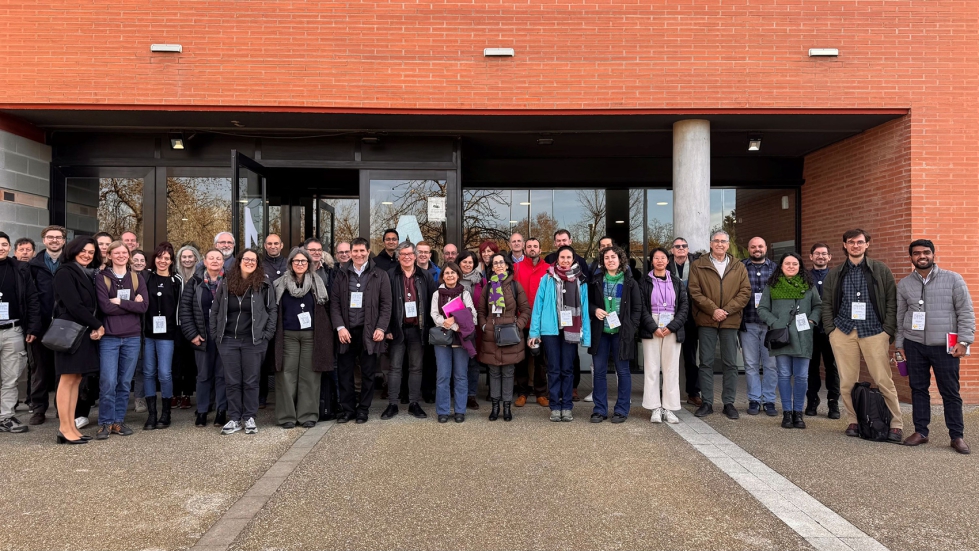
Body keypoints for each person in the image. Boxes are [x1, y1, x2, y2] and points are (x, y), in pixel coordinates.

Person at [821, 228, 903, 441]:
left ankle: (896, 423)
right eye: (851, 242)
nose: (855, 245)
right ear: (845, 245)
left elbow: (891, 301)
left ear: (867, 244)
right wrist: (831, 330)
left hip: (874, 331)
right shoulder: (836, 273)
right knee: (847, 381)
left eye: (859, 242)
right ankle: (854, 420)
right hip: (843, 331)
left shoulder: (880, 269)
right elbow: (827, 303)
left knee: (883, 379)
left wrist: (887, 331)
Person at [896, 239, 974, 453]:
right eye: (917, 253)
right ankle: (921, 431)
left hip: (945, 346)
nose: (922, 256)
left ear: (933, 254)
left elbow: (965, 312)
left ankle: (956, 436)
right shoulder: (904, 284)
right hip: (914, 345)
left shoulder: (953, 279)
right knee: (918, 389)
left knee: (950, 391)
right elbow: (900, 317)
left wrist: (964, 341)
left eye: (926, 252)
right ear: (911, 257)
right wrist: (900, 345)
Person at [210, 249, 276, 435]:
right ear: (239, 261)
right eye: (246, 259)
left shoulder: (263, 284)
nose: (249, 262)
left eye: (253, 260)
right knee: (231, 381)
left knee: (251, 380)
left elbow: (272, 310)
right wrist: (216, 334)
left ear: (257, 263)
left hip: (254, 341)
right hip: (228, 340)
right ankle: (234, 418)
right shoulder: (226, 283)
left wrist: (267, 334)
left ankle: (249, 417)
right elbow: (215, 310)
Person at [688, 230, 751, 419]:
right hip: (706, 319)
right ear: (710, 243)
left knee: (730, 363)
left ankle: (729, 403)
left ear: (728, 244)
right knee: (705, 362)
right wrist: (714, 310)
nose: (720, 244)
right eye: (716, 241)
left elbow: (745, 291)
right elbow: (694, 291)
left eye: (723, 241)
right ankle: (707, 402)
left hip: (730, 321)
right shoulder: (698, 265)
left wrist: (727, 310)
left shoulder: (738, 266)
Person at [330, 237, 392, 424]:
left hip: (369, 332)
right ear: (350, 253)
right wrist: (340, 327)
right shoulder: (341, 274)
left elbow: (386, 305)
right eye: (354, 251)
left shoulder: (380, 275)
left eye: (361, 251)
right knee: (345, 373)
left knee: (368, 373)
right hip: (346, 332)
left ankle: (363, 409)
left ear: (368, 251)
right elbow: (334, 304)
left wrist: (381, 328)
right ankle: (348, 409)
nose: (358, 254)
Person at [757, 253, 822, 429]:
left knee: (801, 377)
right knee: (784, 375)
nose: (791, 266)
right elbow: (762, 308)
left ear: (800, 266)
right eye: (788, 263)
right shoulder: (772, 286)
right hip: (781, 337)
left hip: (803, 337)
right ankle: (787, 413)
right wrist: (775, 322)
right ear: (781, 266)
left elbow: (818, 305)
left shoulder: (808, 286)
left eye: (795, 263)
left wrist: (811, 320)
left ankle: (798, 413)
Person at [272, 247, 333, 429]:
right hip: (287, 336)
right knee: (286, 375)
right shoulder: (279, 284)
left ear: (309, 264)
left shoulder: (317, 283)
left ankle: (307, 415)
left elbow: (325, 309)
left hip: (311, 336)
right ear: (290, 263)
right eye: (296, 261)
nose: (300, 264)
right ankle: (287, 417)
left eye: (303, 261)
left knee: (310, 376)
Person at [52, 236, 104, 444]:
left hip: (81, 333)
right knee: (67, 379)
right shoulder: (65, 272)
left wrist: (92, 324)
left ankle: (71, 425)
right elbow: (74, 305)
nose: (87, 255)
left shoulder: (84, 272)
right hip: (70, 331)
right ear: (73, 250)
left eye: (91, 252)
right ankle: (64, 428)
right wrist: (97, 324)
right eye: (83, 250)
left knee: (75, 379)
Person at [95, 240, 149, 439]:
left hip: (132, 337)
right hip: (109, 337)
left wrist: (119, 301)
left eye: (123, 253)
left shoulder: (136, 278)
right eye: (115, 253)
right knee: (108, 381)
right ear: (109, 256)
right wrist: (131, 304)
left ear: (129, 255)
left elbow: (144, 307)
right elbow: (104, 307)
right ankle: (105, 423)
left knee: (125, 382)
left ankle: (118, 421)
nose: (120, 256)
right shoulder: (102, 278)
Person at [529, 246, 589, 422]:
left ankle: (567, 406)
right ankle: (555, 406)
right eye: (562, 257)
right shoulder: (547, 278)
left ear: (573, 259)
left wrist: (585, 333)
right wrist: (534, 332)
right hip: (550, 330)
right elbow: (537, 307)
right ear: (557, 258)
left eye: (568, 257)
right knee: (554, 369)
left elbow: (584, 308)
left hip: (571, 329)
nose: (565, 260)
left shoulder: (581, 280)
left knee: (568, 369)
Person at [587, 245, 640, 423]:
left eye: (613, 257)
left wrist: (630, 328)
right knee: (599, 372)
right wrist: (595, 310)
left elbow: (637, 308)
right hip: (600, 332)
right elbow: (587, 303)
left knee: (623, 371)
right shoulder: (595, 280)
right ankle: (600, 410)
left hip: (621, 333)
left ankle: (621, 410)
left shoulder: (630, 282)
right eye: (606, 258)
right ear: (602, 262)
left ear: (620, 260)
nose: (610, 260)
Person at [382, 241, 433, 420]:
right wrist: (386, 327)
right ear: (398, 256)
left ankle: (414, 403)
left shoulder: (425, 276)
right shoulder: (390, 275)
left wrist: (428, 328)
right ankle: (393, 404)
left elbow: (430, 303)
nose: (406, 257)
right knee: (394, 368)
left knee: (416, 368)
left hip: (417, 329)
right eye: (402, 254)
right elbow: (384, 304)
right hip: (397, 329)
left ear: (415, 255)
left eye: (409, 254)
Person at [478, 253, 530, 422]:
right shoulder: (488, 287)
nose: (499, 265)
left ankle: (507, 407)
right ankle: (495, 407)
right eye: (495, 263)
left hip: (509, 333)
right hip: (491, 334)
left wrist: (518, 325)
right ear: (492, 267)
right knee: (493, 372)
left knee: (508, 372)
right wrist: (485, 326)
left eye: (502, 262)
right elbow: (481, 312)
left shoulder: (515, 286)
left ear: (507, 266)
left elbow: (526, 310)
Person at [640, 247, 688, 424]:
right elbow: (641, 308)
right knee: (652, 368)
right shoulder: (643, 282)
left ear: (668, 261)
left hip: (672, 326)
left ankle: (669, 408)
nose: (659, 261)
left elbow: (684, 307)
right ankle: (654, 407)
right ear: (651, 261)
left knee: (671, 369)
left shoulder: (677, 282)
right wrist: (653, 326)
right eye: (656, 258)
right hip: (651, 325)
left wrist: (673, 326)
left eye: (662, 258)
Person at [180, 249, 228, 428]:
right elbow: (185, 310)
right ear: (205, 262)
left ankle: (221, 411)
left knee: (222, 375)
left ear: (223, 262)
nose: (215, 261)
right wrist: (192, 334)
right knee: (203, 375)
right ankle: (202, 411)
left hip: (224, 336)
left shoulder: (230, 281)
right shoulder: (195, 282)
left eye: (218, 258)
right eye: (211, 258)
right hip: (202, 334)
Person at [0, 232, 41, 434]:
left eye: (4, 244)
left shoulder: (20, 269)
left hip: (13, 330)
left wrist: (33, 327)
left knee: (10, 377)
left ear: (9, 248)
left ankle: (5, 417)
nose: (1, 247)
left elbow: (32, 299)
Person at [27, 225, 66, 426]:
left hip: (64, 325)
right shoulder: (33, 266)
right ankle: (39, 409)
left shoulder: (69, 263)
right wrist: (32, 327)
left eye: (58, 238)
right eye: (50, 237)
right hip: (40, 326)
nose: (54, 240)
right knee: (40, 371)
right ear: (44, 240)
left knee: (62, 370)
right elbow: (30, 299)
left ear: (63, 241)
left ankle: (62, 410)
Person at [543, 230, 590, 401]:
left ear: (570, 240)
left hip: (573, 321)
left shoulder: (581, 263)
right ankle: (555, 394)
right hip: (553, 321)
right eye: (558, 240)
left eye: (564, 240)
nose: (562, 242)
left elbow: (584, 290)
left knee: (571, 359)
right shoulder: (548, 261)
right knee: (553, 362)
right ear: (555, 243)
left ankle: (573, 388)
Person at [140, 243, 182, 430]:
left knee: (164, 374)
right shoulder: (145, 277)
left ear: (171, 261)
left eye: (167, 258)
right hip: (148, 333)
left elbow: (180, 308)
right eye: (159, 257)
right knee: (148, 372)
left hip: (168, 334)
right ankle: (152, 414)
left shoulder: (176, 280)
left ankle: (166, 414)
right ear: (154, 258)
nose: (162, 261)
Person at [430, 262, 478, 423]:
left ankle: (459, 410)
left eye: (453, 273)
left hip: (460, 339)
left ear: (458, 275)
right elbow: (434, 315)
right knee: (443, 376)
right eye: (447, 273)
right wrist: (447, 323)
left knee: (460, 376)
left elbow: (472, 316)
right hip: (442, 340)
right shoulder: (437, 293)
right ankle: (443, 410)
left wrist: (456, 326)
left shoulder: (464, 293)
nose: (450, 276)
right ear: (442, 276)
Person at [740, 237, 779, 416]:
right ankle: (754, 399)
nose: (757, 249)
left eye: (760, 246)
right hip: (748, 322)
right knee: (750, 364)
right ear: (748, 249)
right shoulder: (740, 267)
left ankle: (769, 400)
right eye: (753, 247)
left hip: (770, 325)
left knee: (771, 365)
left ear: (766, 247)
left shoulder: (776, 269)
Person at [513, 237, 550, 407]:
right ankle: (522, 392)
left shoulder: (549, 269)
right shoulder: (517, 267)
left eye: (535, 246)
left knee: (540, 360)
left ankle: (541, 392)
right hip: (521, 321)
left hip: (541, 323)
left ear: (540, 250)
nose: (532, 249)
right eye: (529, 246)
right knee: (521, 359)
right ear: (525, 250)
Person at [806, 243, 840, 418]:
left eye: (824, 254)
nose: (820, 256)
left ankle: (833, 403)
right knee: (811, 368)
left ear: (829, 257)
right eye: (817, 253)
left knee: (832, 368)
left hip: (831, 330)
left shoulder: (837, 276)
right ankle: (812, 400)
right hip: (810, 330)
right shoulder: (804, 277)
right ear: (811, 257)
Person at [667, 237, 701, 406]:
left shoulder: (697, 264)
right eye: (677, 246)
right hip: (670, 317)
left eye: (684, 246)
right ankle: (667, 391)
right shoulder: (665, 264)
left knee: (691, 358)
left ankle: (693, 392)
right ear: (672, 250)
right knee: (668, 358)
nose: (681, 248)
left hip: (691, 317)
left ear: (688, 249)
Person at [259, 234, 287, 409]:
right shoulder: (259, 265)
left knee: (283, 358)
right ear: (265, 245)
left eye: (276, 243)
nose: (273, 246)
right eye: (269, 243)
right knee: (262, 359)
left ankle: (283, 398)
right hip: (265, 317)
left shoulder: (288, 263)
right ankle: (261, 397)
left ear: (281, 245)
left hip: (285, 317)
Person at [173, 244, 202, 409]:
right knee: (176, 361)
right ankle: (175, 393)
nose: (187, 259)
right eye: (184, 257)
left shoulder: (199, 277)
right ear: (179, 259)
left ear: (196, 259)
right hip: (176, 326)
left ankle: (187, 395)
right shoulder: (174, 277)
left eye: (190, 257)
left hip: (194, 326)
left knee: (191, 362)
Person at [457, 250, 485, 410]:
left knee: (473, 363)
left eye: (470, 262)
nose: (467, 265)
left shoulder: (481, 281)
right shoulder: (453, 278)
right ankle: (459, 393)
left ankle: (471, 395)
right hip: (457, 327)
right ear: (459, 262)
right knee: (459, 362)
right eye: (464, 262)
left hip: (475, 328)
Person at [130, 246, 150, 414]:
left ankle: (139, 397)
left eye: (141, 260)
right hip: (127, 325)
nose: (138, 263)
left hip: (146, 326)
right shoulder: (122, 277)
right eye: (135, 260)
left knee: (141, 365)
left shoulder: (149, 277)